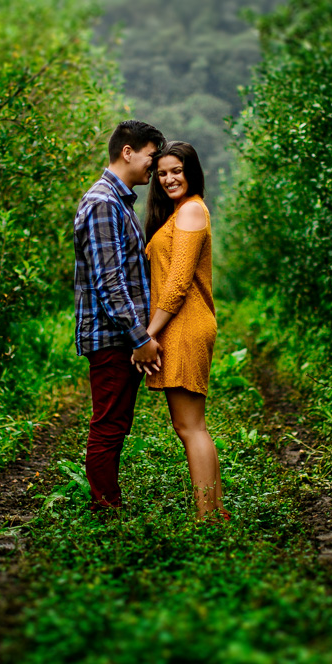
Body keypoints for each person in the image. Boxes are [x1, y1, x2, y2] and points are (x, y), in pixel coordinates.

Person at [73, 120, 165, 513]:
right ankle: (105, 509)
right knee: (108, 425)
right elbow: (109, 281)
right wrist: (140, 338)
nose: (154, 166)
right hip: (113, 337)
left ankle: (107, 505)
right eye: (151, 156)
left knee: (115, 424)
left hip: (119, 336)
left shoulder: (117, 202)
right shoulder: (103, 203)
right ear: (128, 152)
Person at [141, 141, 229, 521]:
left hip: (185, 324)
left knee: (190, 427)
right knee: (190, 426)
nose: (168, 179)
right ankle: (214, 511)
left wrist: (147, 335)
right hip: (181, 324)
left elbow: (177, 284)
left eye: (176, 171)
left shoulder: (191, 210)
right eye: (162, 173)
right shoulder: (179, 211)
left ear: (191, 171)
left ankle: (207, 516)